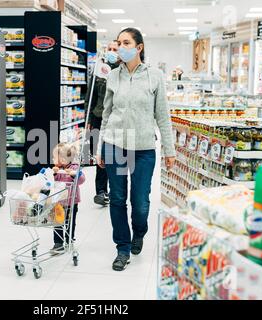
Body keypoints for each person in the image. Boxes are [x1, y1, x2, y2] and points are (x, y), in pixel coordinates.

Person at [96, 28, 176, 271]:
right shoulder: (113, 76)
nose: (120, 47)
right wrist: (100, 147)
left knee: (140, 201)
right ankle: (122, 247)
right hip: (115, 144)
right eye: (118, 43)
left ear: (139, 47)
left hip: (143, 148)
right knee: (118, 199)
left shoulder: (155, 76)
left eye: (126, 42)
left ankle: (138, 233)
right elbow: (107, 114)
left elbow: (162, 115)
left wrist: (169, 150)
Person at [87, 40, 121, 207]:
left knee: (116, 156)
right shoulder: (99, 71)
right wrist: (88, 120)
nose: (112, 52)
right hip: (99, 117)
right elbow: (91, 95)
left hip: (118, 119)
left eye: (115, 49)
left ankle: (116, 191)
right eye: (110, 49)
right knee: (101, 156)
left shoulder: (124, 71)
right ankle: (101, 192)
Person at [50, 142, 86, 255]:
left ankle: (69, 238)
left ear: (63, 159)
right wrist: (53, 174)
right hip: (58, 202)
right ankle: (58, 243)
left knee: (70, 221)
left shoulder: (74, 168)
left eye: (54, 157)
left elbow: (82, 180)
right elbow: (51, 182)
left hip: (71, 202)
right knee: (58, 222)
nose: (52, 159)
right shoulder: (57, 169)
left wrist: (74, 174)